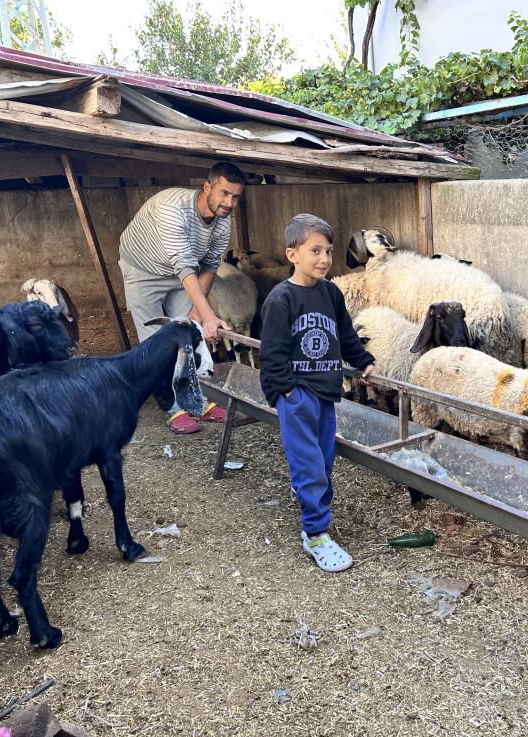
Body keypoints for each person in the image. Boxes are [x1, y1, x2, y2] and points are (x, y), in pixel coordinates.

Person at [260, 214, 375, 572]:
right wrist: (288, 392)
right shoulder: (281, 300)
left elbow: (345, 334)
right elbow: (273, 354)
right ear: (292, 254)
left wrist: (362, 360)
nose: (324, 258)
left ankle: (309, 498)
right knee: (310, 466)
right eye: (315, 250)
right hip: (296, 396)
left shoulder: (331, 294)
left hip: (326, 391)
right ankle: (316, 535)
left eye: (327, 250)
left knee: (323, 461)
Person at [119, 162, 243, 434]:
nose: (229, 202)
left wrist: (199, 315)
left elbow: (210, 265)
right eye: (224, 193)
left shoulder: (223, 220)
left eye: (235, 197)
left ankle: (197, 400)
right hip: (143, 268)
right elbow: (183, 265)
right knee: (156, 339)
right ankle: (174, 408)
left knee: (188, 335)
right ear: (207, 187)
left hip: (181, 272)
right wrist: (209, 315)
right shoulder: (173, 208)